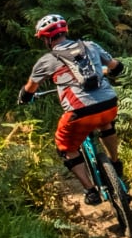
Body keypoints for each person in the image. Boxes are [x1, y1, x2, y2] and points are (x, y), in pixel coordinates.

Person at [17, 13, 125, 205]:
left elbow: (30, 89)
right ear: (65, 31)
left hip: (80, 113)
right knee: (105, 122)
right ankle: (115, 164)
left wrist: (25, 97)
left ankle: (90, 190)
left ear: (47, 39)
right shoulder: (90, 45)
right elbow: (116, 67)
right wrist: (104, 71)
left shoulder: (46, 61)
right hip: (110, 104)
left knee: (65, 146)